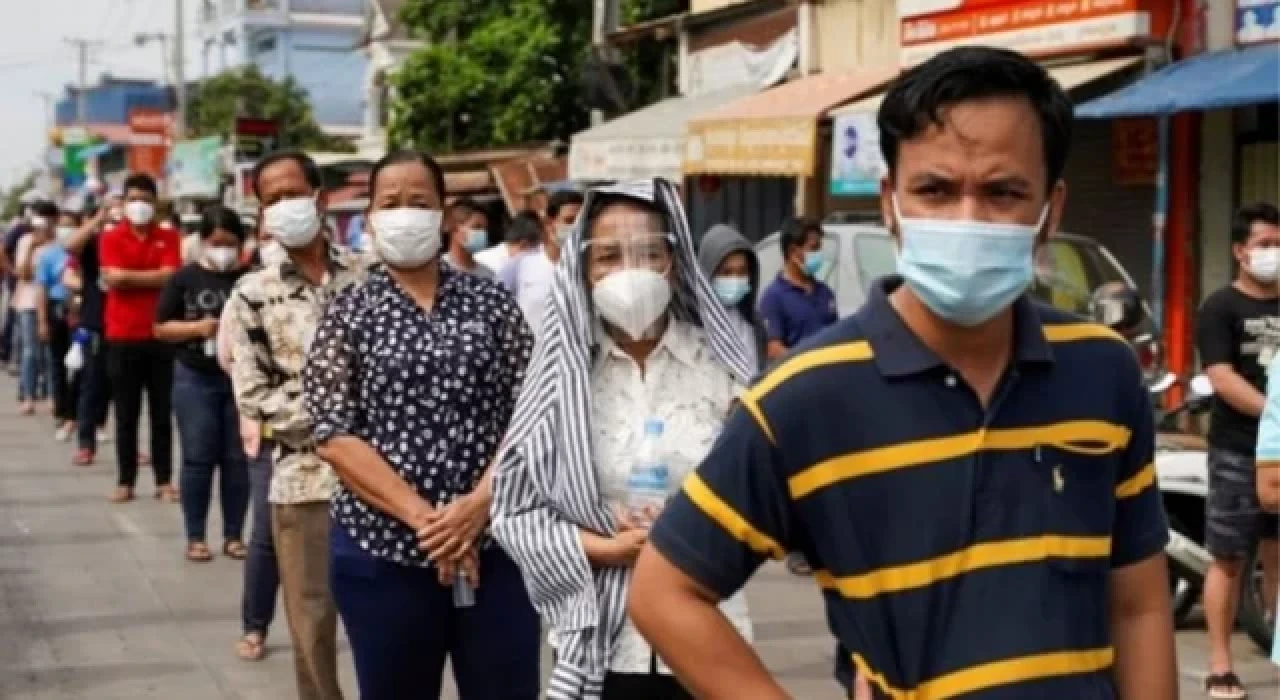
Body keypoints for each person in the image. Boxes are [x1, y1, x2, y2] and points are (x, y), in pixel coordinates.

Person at [627, 46, 1177, 700]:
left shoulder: (1103, 371)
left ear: (1050, 210)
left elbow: (1139, 606)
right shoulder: (804, 398)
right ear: (890, 201)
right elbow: (665, 593)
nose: (967, 218)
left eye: (1004, 193)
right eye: (935, 190)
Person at [491, 179, 756, 700]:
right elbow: (513, 512)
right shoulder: (561, 379)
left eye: (648, 253)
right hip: (604, 642)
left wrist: (693, 530)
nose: (628, 272)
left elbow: (762, 495)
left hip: (710, 624)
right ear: (583, 270)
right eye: (609, 256)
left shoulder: (720, 369)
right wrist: (606, 547)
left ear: (674, 263)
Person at [306, 150, 538, 700]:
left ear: (443, 216)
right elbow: (334, 433)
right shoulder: (348, 312)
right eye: (390, 203)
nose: (405, 213)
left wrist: (477, 507)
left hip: (497, 548)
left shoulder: (491, 303)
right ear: (369, 218)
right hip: (382, 554)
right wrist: (433, 526)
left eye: (420, 202)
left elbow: (533, 408)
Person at [226, 149, 366, 700]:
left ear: (320, 198)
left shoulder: (369, 276)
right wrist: (344, 409)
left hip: (385, 480)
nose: (285, 207)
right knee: (312, 625)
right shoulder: (251, 295)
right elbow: (255, 398)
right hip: (302, 479)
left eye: (293, 194)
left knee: (391, 623)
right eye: (272, 200)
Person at [1196, 201, 1280, 699]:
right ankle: (1220, 666)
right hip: (1237, 452)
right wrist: (1275, 414)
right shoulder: (1220, 307)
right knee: (1228, 557)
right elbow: (1220, 376)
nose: (1274, 252)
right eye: (1265, 244)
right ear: (1239, 251)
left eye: (1279, 243)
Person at [155, 205, 251, 564]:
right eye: (215, 242)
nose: (222, 249)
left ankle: (233, 534)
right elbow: (161, 327)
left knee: (237, 460)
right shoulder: (184, 279)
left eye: (229, 243)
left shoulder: (250, 279)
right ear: (203, 242)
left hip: (240, 380)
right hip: (195, 377)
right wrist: (197, 329)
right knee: (197, 457)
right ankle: (195, 536)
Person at [216, 216, 281, 663]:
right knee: (267, 533)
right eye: (268, 236)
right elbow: (228, 356)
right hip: (272, 431)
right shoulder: (247, 293)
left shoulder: (341, 287)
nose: (276, 243)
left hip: (337, 435)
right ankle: (255, 625)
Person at [100, 173, 181, 503]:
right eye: (133, 199)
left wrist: (129, 278)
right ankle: (126, 480)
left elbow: (171, 277)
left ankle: (163, 479)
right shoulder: (111, 237)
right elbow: (113, 279)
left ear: (155, 203)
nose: (140, 206)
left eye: (146, 200)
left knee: (162, 413)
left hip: (160, 333)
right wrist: (153, 278)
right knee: (126, 413)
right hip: (122, 334)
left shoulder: (169, 236)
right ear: (124, 202)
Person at [63, 192, 121, 466]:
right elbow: (70, 245)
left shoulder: (129, 242)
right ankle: (86, 443)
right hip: (96, 323)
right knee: (91, 386)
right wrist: (97, 219)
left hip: (126, 325)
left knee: (124, 391)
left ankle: (127, 445)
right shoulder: (94, 242)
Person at [500, 189, 584, 341]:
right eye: (569, 220)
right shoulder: (519, 267)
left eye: (581, 221)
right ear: (549, 224)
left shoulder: (588, 269)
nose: (576, 228)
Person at [759, 217, 837, 363]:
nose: (819, 254)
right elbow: (774, 349)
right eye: (814, 248)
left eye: (820, 248)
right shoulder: (774, 297)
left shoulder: (826, 294)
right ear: (793, 251)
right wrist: (806, 363)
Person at [697, 223, 767, 371]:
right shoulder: (692, 324)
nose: (735, 279)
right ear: (707, 273)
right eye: (726, 272)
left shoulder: (754, 325)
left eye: (742, 271)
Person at [35, 209, 79, 440]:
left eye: (71, 225)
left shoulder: (83, 252)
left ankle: (78, 411)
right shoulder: (49, 255)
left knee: (80, 364)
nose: (66, 229)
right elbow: (41, 288)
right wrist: (42, 320)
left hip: (79, 311)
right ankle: (61, 410)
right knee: (58, 362)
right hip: (57, 309)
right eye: (62, 225)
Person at [12, 201, 56, 414]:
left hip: (52, 301)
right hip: (28, 302)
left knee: (51, 351)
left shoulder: (59, 241)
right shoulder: (25, 241)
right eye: (38, 217)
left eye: (46, 217)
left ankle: (51, 394)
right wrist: (32, 248)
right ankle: (28, 395)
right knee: (30, 351)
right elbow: (23, 275)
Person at [442, 197, 495, 278]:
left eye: (485, 228)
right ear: (455, 229)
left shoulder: (488, 275)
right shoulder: (438, 271)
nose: (483, 233)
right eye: (476, 227)